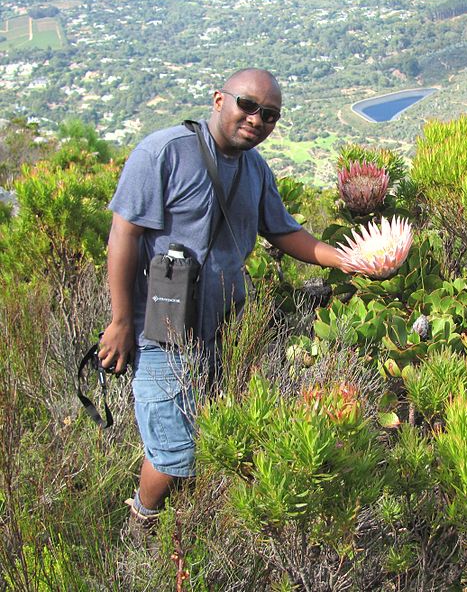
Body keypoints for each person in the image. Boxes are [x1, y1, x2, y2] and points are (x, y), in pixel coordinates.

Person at [97, 68, 347, 526]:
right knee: (175, 450)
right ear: (218, 99)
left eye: (269, 115)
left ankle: (189, 519)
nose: (257, 119)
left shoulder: (254, 168)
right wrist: (119, 322)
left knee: (211, 433)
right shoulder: (164, 153)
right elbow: (124, 234)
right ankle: (143, 522)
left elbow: (283, 230)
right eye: (247, 105)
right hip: (163, 330)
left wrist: (346, 260)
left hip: (226, 330)